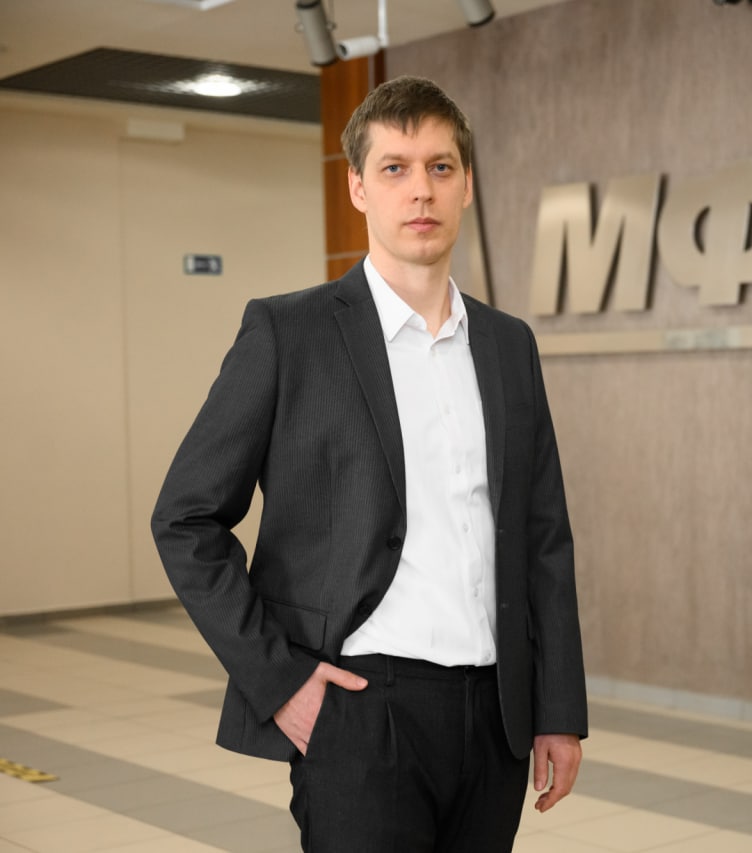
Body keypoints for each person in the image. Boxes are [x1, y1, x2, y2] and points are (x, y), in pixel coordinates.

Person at [152, 75, 587, 852]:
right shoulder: (288, 334)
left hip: (496, 718)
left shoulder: (507, 345)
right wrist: (278, 681)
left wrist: (557, 708)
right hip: (358, 710)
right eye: (395, 168)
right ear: (357, 186)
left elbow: (543, 537)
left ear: (466, 184)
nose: (421, 189)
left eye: (440, 167)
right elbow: (185, 518)